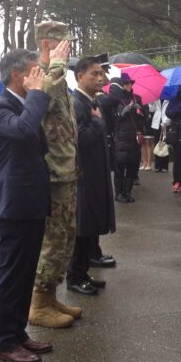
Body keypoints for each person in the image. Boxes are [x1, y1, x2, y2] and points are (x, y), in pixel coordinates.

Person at [0, 49, 54, 362]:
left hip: (30, 204)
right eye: (35, 71)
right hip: (12, 206)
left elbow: (39, 142)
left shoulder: (23, 105)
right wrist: (37, 95)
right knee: (10, 276)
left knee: (25, 274)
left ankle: (18, 333)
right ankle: (4, 342)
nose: (39, 76)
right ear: (17, 75)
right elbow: (24, 130)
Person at [28, 21, 84, 330]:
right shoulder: (41, 74)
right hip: (52, 173)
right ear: (49, 44)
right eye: (65, 44)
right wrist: (56, 65)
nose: (70, 48)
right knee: (53, 239)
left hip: (66, 170)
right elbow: (39, 102)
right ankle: (38, 303)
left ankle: (50, 296)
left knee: (66, 236)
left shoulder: (58, 77)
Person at [67, 57, 115, 295]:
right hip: (84, 177)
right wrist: (96, 124)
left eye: (101, 74)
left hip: (94, 174)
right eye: (94, 74)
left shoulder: (91, 102)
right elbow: (80, 139)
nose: (100, 78)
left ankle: (84, 272)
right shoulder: (77, 103)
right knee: (82, 228)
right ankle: (75, 277)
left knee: (90, 227)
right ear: (79, 77)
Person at [109, 75, 144, 203]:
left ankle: (127, 192)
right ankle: (119, 194)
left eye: (130, 83)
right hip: (120, 139)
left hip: (133, 139)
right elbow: (111, 120)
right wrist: (121, 113)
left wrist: (140, 110)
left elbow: (144, 119)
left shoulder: (137, 98)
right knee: (119, 168)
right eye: (126, 83)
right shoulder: (115, 100)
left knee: (132, 167)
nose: (129, 85)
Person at [149, 99, 170, 172]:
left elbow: (170, 111)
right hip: (156, 123)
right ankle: (157, 166)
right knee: (157, 144)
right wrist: (151, 102)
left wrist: (165, 122)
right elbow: (151, 110)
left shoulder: (168, 98)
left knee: (165, 144)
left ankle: (165, 166)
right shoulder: (155, 98)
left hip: (166, 123)